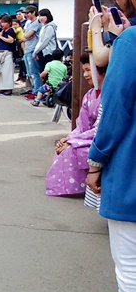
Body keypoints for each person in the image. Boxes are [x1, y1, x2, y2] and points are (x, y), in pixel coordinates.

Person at [86, 23, 136, 292]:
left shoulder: (130, 42)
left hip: (131, 169)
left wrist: (96, 160)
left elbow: (115, 106)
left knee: (130, 269)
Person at [45, 52, 102, 196]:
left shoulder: (109, 95)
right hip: (90, 137)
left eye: (89, 70)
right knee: (63, 148)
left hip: (101, 139)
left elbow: (101, 128)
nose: (85, 75)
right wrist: (69, 138)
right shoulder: (89, 95)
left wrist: (73, 142)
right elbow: (82, 125)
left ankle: (77, 188)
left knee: (72, 150)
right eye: (84, 71)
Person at [0, 14, 17, 96]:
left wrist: (1, 37)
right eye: (2, 22)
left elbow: (11, 40)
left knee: (7, 72)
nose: (3, 24)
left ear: (9, 23)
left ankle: (8, 88)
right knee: (0, 71)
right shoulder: (1, 30)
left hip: (7, 52)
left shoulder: (10, 30)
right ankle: (1, 87)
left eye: (5, 22)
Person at [22, 5, 43, 100]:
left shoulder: (36, 23)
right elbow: (24, 36)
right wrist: (26, 36)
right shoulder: (29, 23)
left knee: (34, 73)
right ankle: (33, 90)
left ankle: (36, 91)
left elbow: (27, 35)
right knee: (29, 73)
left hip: (33, 50)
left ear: (34, 12)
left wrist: (26, 36)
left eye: (28, 13)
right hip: (27, 49)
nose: (26, 15)